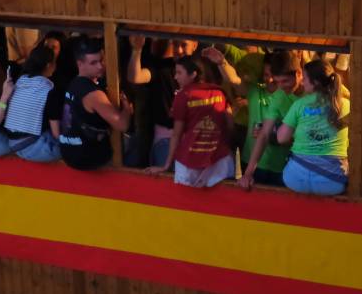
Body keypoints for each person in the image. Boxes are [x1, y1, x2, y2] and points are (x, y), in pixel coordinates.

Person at [145, 55, 234, 187]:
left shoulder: (183, 96)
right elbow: (230, 125)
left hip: (190, 164)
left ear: (193, 74)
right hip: (219, 162)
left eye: (179, 73)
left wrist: (166, 165)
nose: (175, 77)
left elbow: (176, 134)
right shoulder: (219, 92)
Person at [230, 50, 304, 189]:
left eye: (285, 81)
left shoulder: (316, 93)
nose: (282, 86)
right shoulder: (279, 96)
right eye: (278, 82)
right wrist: (248, 174)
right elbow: (264, 134)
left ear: (299, 74)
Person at [277, 59, 350, 196]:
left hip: (295, 178)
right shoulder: (347, 105)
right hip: (332, 181)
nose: (302, 82)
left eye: (304, 78)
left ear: (315, 82)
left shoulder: (300, 104)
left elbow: (281, 138)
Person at [60, 37, 133, 170]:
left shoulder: (74, 84)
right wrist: (127, 108)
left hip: (67, 150)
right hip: (88, 157)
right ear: (80, 64)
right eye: (93, 63)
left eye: (101, 60)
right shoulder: (93, 94)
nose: (100, 66)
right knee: (133, 142)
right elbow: (122, 125)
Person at [128, 35, 197, 168]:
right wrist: (137, 50)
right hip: (167, 138)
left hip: (194, 139)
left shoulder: (202, 69)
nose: (179, 50)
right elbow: (135, 77)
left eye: (184, 45)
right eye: (176, 45)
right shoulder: (163, 67)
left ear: (195, 45)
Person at [3, 45, 62, 162]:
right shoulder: (48, 90)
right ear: (48, 65)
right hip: (31, 147)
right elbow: (56, 133)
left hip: (11, 142)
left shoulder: (21, 81)